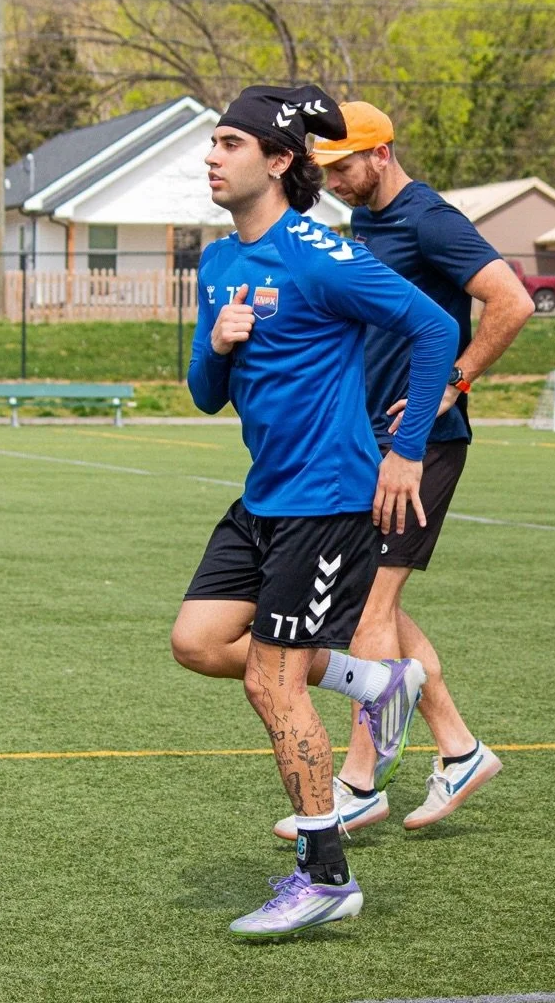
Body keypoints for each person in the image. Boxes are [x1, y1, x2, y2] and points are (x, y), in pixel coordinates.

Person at [173, 84, 458, 939]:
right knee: (197, 641)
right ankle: (374, 680)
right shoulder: (221, 263)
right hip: (265, 498)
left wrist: (407, 450)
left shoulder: (317, 254)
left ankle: (325, 874)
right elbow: (202, 396)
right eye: (212, 143)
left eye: (228, 143)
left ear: (279, 160)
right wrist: (218, 345)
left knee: (272, 678)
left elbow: (434, 328)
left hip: (330, 501)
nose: (211, 157)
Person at [270, 101, 534, 840]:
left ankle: (357, 783)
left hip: (424, 447)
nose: (334, 182)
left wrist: (455, 381)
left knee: (372, 610)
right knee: (364, 600)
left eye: (344, 167)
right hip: (374, 448)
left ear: (381, 153)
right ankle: (459, 748)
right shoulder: (367, 224)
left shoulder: (430, 220)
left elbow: (512, 302)